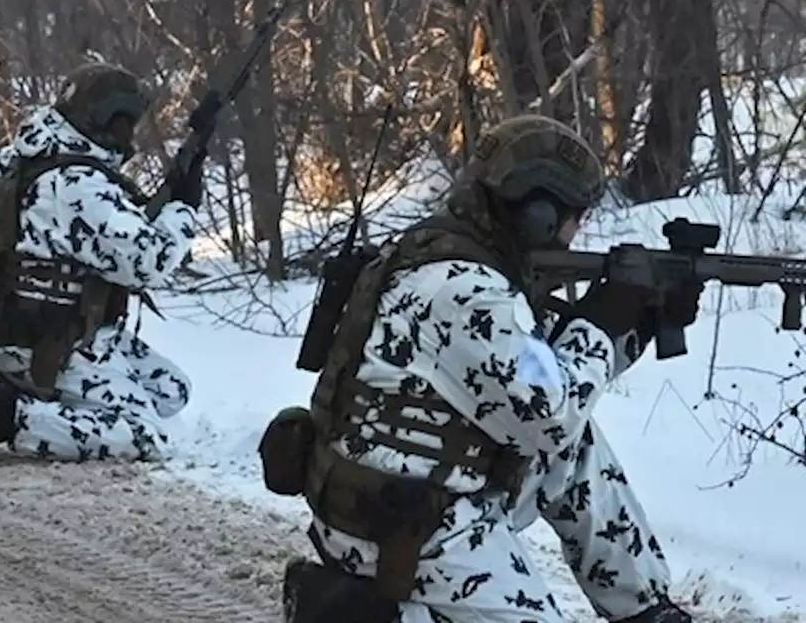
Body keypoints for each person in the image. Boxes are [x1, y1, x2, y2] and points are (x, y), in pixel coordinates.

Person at [263, 115, 701, 623]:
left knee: (576, 447)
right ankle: (356, 614)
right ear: (538, 211)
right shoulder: (463, 290)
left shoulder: (455, 259)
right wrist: (600, 325)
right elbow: (547, 415)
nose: (575, 231)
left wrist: (637, 323)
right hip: (404, 521)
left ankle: (645, 610)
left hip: (415, 488)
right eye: (573, 216)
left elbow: (545, 383)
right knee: (561, 430)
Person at [0, 61, 203, 467]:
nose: (129, 133)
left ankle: (29, 397)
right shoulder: (79, 184)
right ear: (107, 120)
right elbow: (148, 260)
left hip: (39, 329)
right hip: (53, 346)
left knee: (171, 391)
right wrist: (184, 208)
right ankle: (15, 417)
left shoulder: (31, 156)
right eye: (126, 122)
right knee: (145, 435)